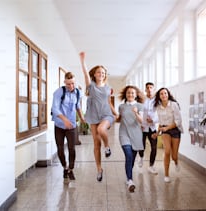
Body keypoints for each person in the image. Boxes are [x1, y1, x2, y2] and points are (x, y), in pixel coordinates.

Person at [79, 51, 118, 182]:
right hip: (93, 116)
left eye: (103, 72)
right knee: (96, 144)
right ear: (94, 74)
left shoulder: (108, 88)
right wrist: (82, 60)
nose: (101, 74)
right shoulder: (91, 86)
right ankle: (99, 169)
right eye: (98, 72)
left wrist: (115, 113)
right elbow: (85, 73)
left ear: (105, 75)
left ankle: (107, 147)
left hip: (106, 114)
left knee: (102, 130)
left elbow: (108, 102)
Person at [51, 72, 85, 184]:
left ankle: (70, 169)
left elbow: (77, 106)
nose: (71, 86)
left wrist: (82, 118)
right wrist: (64, 120)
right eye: (69, 84)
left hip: (71, 126)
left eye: (73, 83)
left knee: (72, 148)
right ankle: (64, 167)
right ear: (64, 82)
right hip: (60, 125)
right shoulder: (59, 92)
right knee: (60, 149)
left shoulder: (77, 92)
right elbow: (55, 109)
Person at [117, 85, 145, 192]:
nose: (130, 95)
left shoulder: (140, 106)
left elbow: (141, 121)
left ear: (136, 94)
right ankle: (130, 180)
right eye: (128, 93)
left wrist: (136, 112)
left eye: (132, 93)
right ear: (125, 94)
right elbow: (120, 118)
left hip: (136, 134)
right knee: (128, 155)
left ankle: (128, 174)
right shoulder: (121, 107)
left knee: (131, 159)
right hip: (124, 133)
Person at [153, 87, 183, 183]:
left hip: (175, 129)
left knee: (174, 155)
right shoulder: (158, 107)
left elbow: (178, 121)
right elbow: (161, 123)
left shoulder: (174, 105)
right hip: (165, 131)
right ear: (159, 96)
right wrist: (157, 133)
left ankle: (176, 161)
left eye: (165, 93)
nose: (164, 95)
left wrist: (167, 128)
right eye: (161, 94)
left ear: (168, 94)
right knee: (167, 151)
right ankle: (166, 175)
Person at [137, 82, 159, 175]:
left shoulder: (157, 101)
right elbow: (137, 112)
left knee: (154, 148)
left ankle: (151, 166)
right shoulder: (142, 100)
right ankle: (141, 157)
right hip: (142, 127)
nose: (149, 89)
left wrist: (153, 120)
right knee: (141, 147)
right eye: (148, 88)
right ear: (145, 90)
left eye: (151, 87)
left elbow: (161, 114)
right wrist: (140, 123)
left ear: (153, 89)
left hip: (152, 128)